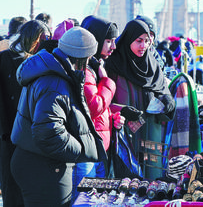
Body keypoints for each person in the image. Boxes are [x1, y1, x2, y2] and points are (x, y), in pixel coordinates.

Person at [10, 27, 107, 206]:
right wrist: (80, 148)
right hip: (43, 166)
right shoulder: (56, 82)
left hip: (35, 160)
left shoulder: (52, 71)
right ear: (83, 57)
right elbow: (47, 132)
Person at [105, 19, 176, 180]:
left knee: (152, 181)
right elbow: (103, 101)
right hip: (123, 132)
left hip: (150, 133)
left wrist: (167, 100)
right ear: (129, 39)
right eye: (138, 41)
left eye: (146, 41)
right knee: (125, 182)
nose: (143, 46)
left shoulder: (152, 64)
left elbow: (161, 89)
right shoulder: (113, 64)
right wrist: (120, 110)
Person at [69, 15, 125, 204]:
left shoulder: (94, 66)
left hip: (97, 147)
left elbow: (98, 108)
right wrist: (107, 81)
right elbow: (93, 106)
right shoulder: (85, 69)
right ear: (95, 39)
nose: (113, 46)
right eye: (109, 41)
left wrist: (112, 118)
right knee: (83, 201)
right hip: (87, 150)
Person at [0, 19, 51, 207]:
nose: (43, 42)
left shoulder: (40, 62)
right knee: (12, 189)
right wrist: (5, 133)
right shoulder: (5, 58)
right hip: (10, 136)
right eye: (42, 38)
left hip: (31, 136)